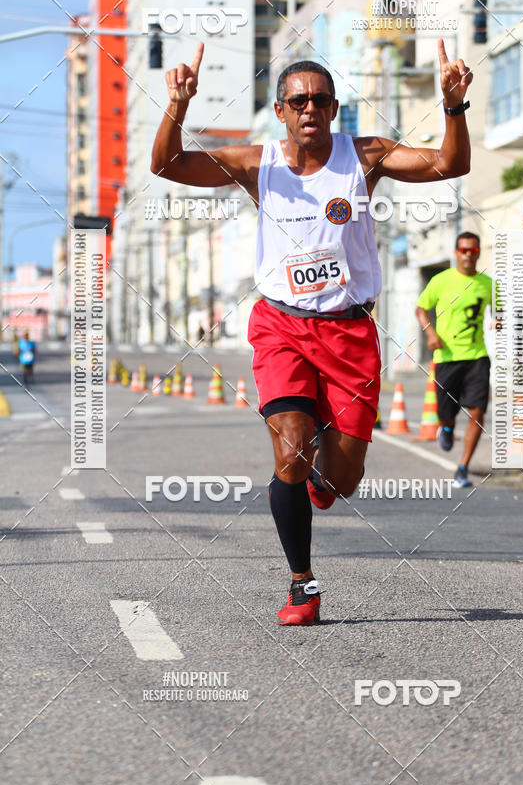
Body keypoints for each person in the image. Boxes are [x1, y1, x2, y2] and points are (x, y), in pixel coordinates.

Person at [151, 39, 473, 625]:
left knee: (340, 481)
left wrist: (453, 106)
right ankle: (303, 585)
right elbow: (169, 165)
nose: (309, 110)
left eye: (320, 100)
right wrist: (177, 105)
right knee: (292, 447)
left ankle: (321, 479)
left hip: (350, 335)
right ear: (280, 110)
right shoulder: (258, 164)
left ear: (334, 108)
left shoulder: (365, 156)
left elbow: (450, 165)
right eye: (298, 100)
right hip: (281, 326)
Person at [416, 232, 498, 488]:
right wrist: (430, 333)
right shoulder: (442, 281)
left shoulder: (488, 284)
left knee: (478, 410)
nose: (468, 255)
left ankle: (463, 468)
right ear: (456, 252)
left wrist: (499, 320)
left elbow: (502, 310)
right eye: (463, 250)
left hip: (477, 357)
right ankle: (447, 427)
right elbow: (420, 308)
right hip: (446, 358)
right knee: (446, 414)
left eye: (473, 251)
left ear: (478, 253)